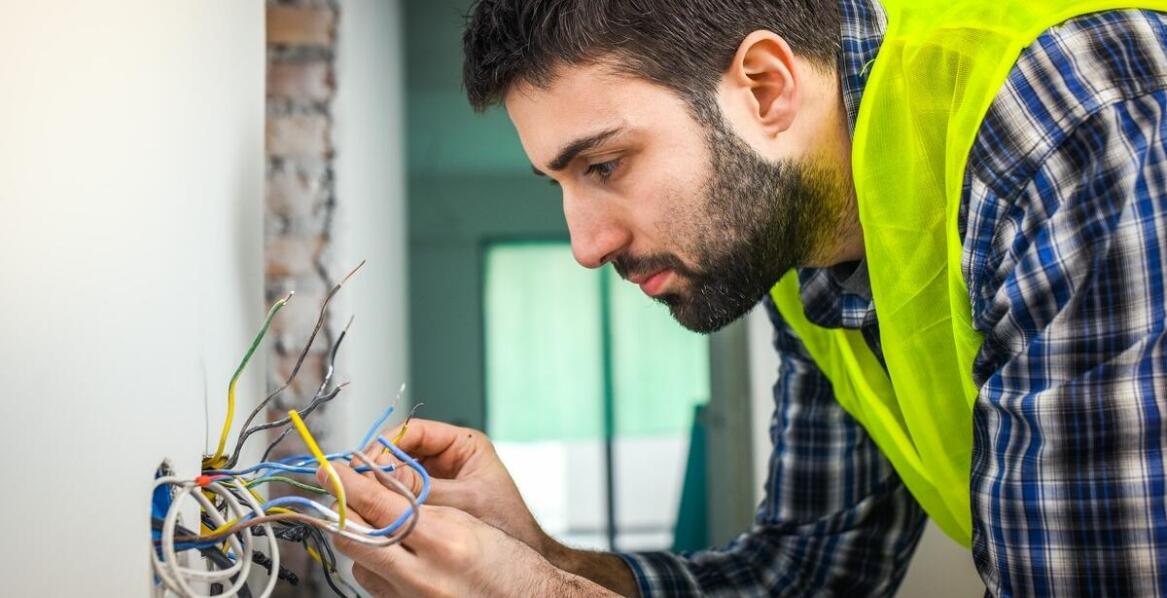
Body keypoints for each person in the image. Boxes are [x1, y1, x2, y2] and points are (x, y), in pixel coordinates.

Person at [322, 0, 1167, 595]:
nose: (585, 245)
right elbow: (806, 572)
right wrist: (547, 560)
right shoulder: (801, 234)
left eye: (604, 165)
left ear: (764, 86)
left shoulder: (1071, 111)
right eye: (560, 183)